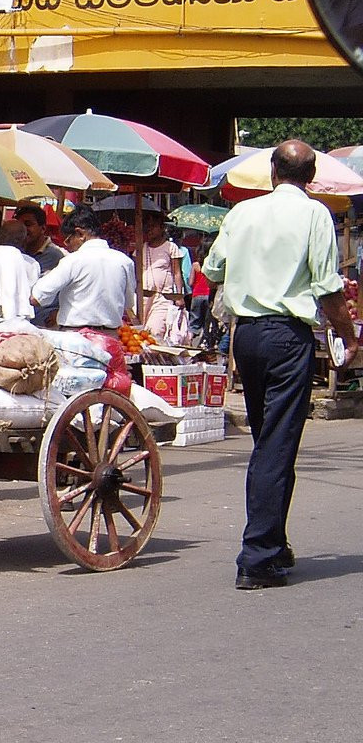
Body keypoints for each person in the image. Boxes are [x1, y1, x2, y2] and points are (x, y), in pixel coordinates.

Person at [203, 140, 359, 591]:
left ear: (273, 171)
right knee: (276, 444)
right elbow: (327, 285)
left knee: (269, 440)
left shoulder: (242, 213)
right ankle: (257, 556)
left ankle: (273, 541)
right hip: (287, 337)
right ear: (310, 177)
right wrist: (348, 336)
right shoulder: (314, 215)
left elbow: (213, 270)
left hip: (247, 337)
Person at [30, 205, 137, 337]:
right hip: (110, 338)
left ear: (80, 234)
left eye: (68, 240)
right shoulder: (124, 262)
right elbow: (127, 302)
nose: (67, 245)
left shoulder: (73, 261)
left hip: (76, 339)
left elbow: (37, 296)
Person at [0, 218, 41, 322]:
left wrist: (3, 312)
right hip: (22, 322)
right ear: (24, 240)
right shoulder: (32, 264)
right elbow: (33, 297)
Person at [15, 204, 67, 327]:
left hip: (46, 325)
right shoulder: (15, 254)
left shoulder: (56, 257)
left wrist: (59, 313)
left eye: (28, 224)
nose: (23, 230)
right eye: (20, 225)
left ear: (43, 228)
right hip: (19, 323)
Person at [141, 211, 186, 339]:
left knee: (155, 331)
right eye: (147, 226)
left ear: (162, 228)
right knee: (141, 331)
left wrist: (179, 296)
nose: (149, 230)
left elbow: (177, 273)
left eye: (153, 226)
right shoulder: (141, 248)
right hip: (142, 297)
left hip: (162, 297)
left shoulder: (170, 247)